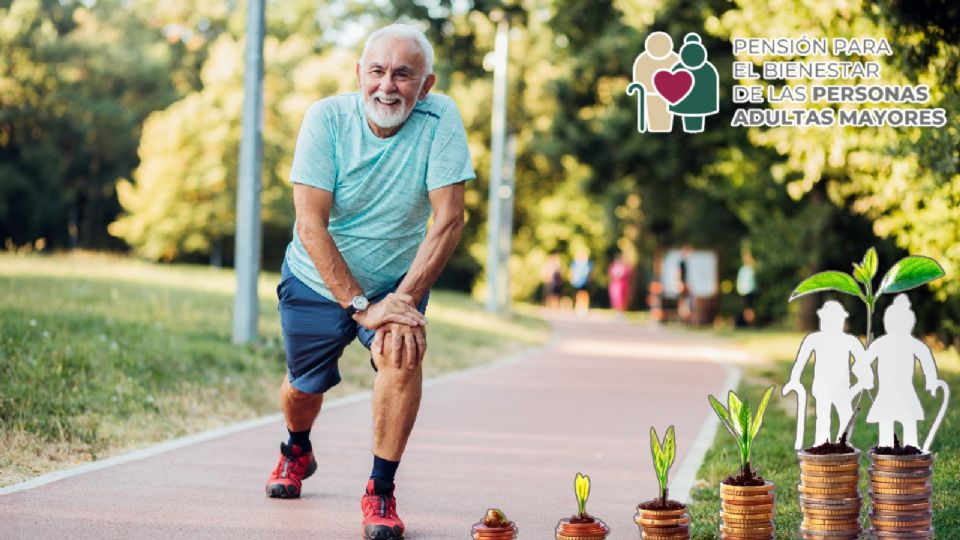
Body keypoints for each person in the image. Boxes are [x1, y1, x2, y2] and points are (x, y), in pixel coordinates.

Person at [267, 24, 474, 540]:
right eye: (377, 71)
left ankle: (380, 490)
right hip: (317, 278)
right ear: (359, 74)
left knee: (402, 352)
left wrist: (400, 302)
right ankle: (296, 448)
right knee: (302, 387)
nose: (387, 86)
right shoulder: (326, 119)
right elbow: (310, 225)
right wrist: (360, 306)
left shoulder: (440, 118)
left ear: (426, 85)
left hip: (395, 282)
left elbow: (449, 219)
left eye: (403, 74)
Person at [856, 294, 943, 448]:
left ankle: (911, 449)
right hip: (887, 392)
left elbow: (926, 360)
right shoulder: (881, 343)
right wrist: (865, 375)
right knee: (887, 422)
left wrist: (932, 381)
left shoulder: (911, 344)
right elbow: (861, 363)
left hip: (905, 391)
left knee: (908, 420)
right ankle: (886, 449)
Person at [784, 300, 869, 446]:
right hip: (822, 387)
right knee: (823, 418)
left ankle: (843, 443)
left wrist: (861, 381)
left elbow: (863, 365)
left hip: (842, 387)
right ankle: (822, 443)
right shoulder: (814, 339)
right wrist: (794, 379)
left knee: (846, 416)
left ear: (841, 321)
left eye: (835, 319)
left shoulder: (849, 341)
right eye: (828, 319)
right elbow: (801, 361)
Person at [668, 33, 718, 133]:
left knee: (692, 121)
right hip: (700, 105)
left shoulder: (678, 67)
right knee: (694, 121)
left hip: (688, 105)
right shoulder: (708, 69)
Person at [632, 31, 680, 132]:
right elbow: (638, 79)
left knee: (665, 121)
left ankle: (663, 130)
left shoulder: (674, 59)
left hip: (668, 96)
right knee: (655, 122)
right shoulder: (643, 60)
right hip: (650, 94)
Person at [736, 250, 757, 326]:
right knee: (747, 309)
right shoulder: (743, 269)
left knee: (750, 308)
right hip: (744, 292)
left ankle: (750, 323)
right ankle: (747, 322)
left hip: (751, 291)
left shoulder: (752, 269)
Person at [570, 249, 593, 313]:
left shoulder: (588, 263)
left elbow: (590, 273)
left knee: (585, 294)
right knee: (578, 294)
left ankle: (585, 307)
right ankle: (578, 306)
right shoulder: (575, 263)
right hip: (577, 282)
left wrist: (589, 280)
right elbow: (572, 271)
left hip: (585, 281)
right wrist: (572, 279)